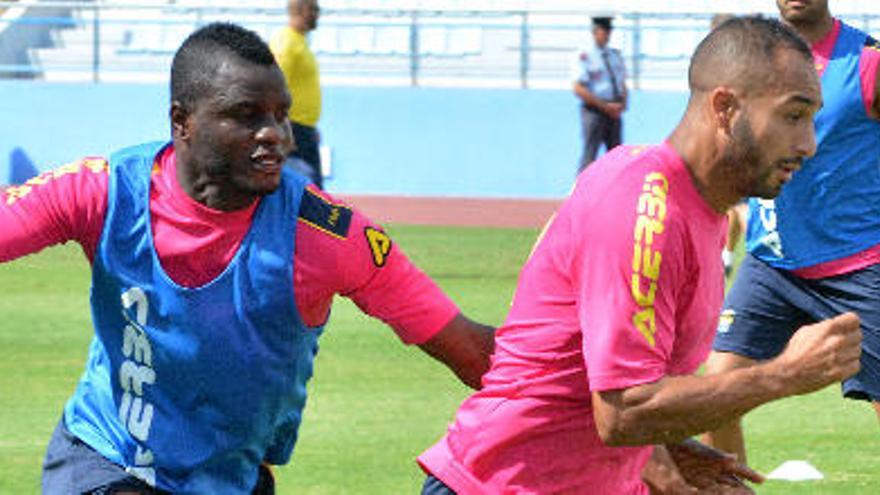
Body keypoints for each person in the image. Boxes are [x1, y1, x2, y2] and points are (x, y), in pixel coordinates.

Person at [0, 23, 494, 494]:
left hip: (231, 477)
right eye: (247, 114)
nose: (275, 134)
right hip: (106, 458)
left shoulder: (327, 236)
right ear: (182, 121)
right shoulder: (105, 193)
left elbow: (469, 349)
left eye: (281, 114)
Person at [417, 17, 860, 494]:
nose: (809, 144)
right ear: (726, 108)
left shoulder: (700, 211)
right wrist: (783, 375)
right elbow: (624, 410)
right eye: (793, 116)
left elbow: (604, 382)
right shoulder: (645, 211)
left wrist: (665, 448)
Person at [705, 0, 880, 463]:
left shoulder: (868, 61)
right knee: (715, 391)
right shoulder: (754, 60)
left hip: (860, 269)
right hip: (771, 267)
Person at [270, 0, 325, 188]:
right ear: (301, 10)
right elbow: (273, 88)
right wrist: (283, 129)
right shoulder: (287, 44)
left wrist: (311, 127)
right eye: (314, 9)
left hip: (302, 129)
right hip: (293, 130)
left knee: (310, 194)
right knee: (308, 196)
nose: (318, 14)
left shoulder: (299, 42)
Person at [572, 16, 628, 172]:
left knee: (616, 156)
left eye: (609, 31)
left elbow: (622, 82)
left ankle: (615, 193)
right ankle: (582, 193)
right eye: (604, 31)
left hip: (614, 112)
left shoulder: (614, 55)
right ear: (595, 31)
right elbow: (578, 87)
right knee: (590, 154)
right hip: (594, 111)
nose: (608, 35)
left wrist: (623, 104)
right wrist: (603, 106)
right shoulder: (585, 56)